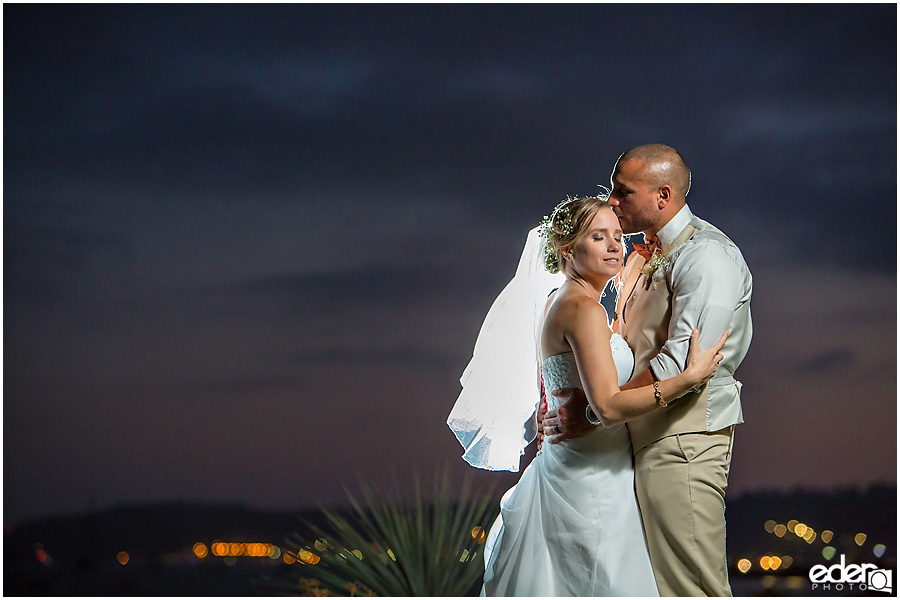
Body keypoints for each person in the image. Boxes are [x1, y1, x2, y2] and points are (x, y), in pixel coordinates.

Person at [474, 195, 727, 596]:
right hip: (593, 482)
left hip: (573, 467)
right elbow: (607, 407)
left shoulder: (562, 303)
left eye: (616, 235)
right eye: (598, 237)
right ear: (567, 251)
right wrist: (688, 378)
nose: (615, 246)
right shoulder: (583, 311)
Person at [542, 144, 753, 596]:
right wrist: (572, 404)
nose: (613, 202)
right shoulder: (638, 258)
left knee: (691, 587)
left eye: (623, 192)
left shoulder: (707, 256)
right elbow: (617, 351)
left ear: (662, 195)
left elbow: (680, 362)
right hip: (630, 447)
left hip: (682, 443)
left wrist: (597, 412)